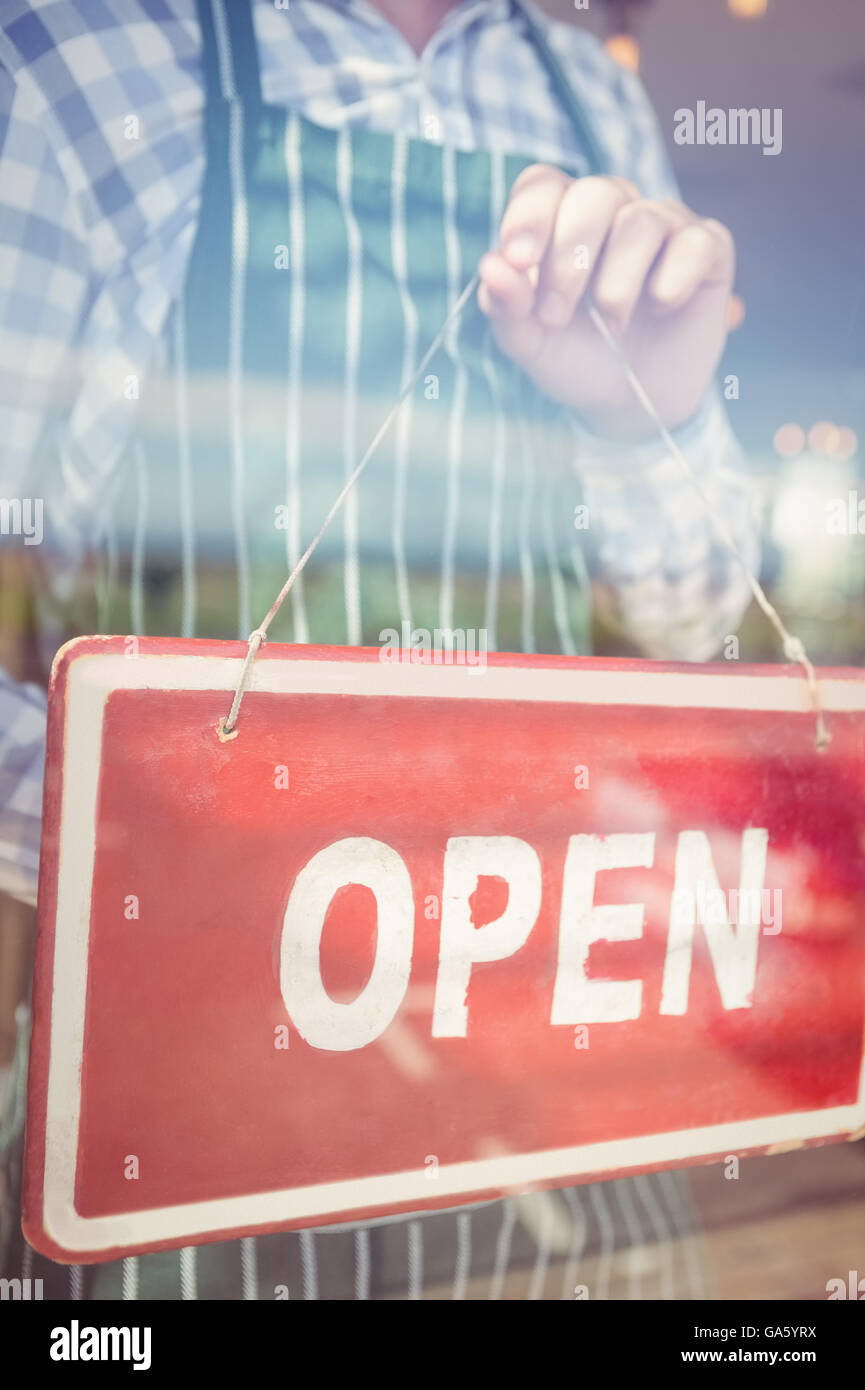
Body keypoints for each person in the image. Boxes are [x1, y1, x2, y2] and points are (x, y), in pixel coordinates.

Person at [0, 0, 755, 1299]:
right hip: (201, 1189)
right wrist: (157, 840)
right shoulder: (67, 50)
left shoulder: (587, 91)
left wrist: (646, 419)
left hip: (583, 1154)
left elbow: (689, 634)